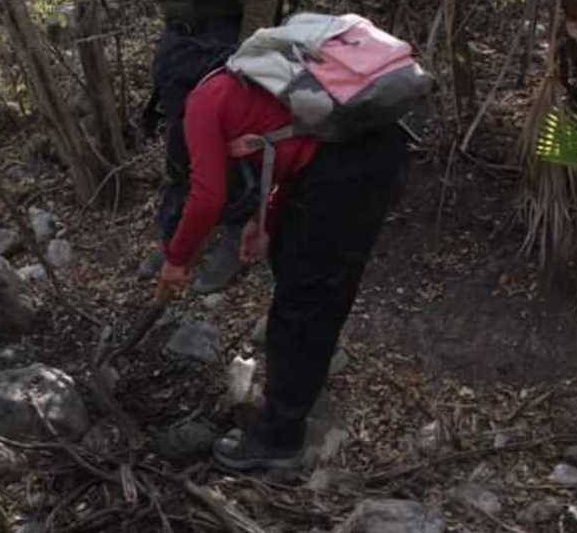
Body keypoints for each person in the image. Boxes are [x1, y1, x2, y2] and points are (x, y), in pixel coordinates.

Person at [155, 71, 407, 470]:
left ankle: (280, 440)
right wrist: (265, 223)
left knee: (304, 298)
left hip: (349, 169)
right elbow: (286, 152)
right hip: (368, 151)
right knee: (302, 273)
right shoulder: (240, 84)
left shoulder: (200, 110)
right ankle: (303, 380)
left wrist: (176, 258)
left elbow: (207, 197)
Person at [67, 0, 280, 294]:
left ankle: (233, 237)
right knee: (181, 147)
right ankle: (177, 239)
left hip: (225, 42)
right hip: (177, 46)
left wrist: (246, 60)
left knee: (229, 150)